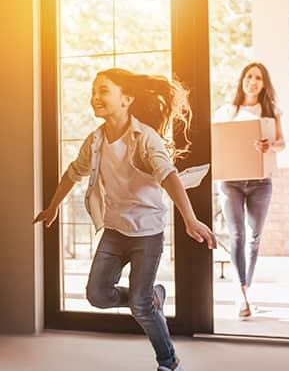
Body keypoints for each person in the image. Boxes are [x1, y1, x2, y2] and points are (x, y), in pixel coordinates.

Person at [34, 68, 217, 371]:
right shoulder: (95, 141)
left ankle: (169, 363)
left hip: (147, 232)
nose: (95, 97)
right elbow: (72, 172)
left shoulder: (146, 138)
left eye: (104, 90)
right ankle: (149, 297)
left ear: (127, 99)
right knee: (97, 295)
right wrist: (53, 206)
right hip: (115, 230)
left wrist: (190, 219)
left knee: (141, 308)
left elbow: (168, 175)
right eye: (94, 91)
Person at [213, 62, 285, 318]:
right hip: (231, 182)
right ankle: (241, 294)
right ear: (242, 80)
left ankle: (245, 289)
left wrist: (270, 145)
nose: (252, 81)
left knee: (254, 239)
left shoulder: (271, 111)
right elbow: (217, 141)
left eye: (258, 78)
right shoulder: (227, 111)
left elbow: (281, 143)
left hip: (260, 182)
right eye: (248, 76)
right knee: (237, 236)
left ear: (264, 84)